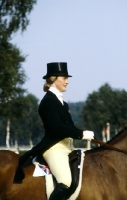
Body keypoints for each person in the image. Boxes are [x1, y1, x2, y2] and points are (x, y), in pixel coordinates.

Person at [14, 62, 94, 200]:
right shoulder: (48, 102)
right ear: (54, 79)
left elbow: (69, 127)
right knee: (65, 182)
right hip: (54, 148)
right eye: (64, 78)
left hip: (68, 147)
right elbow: (57, 128)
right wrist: (81, 134)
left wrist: (84, 133)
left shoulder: (63, 103)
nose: (67, 82)